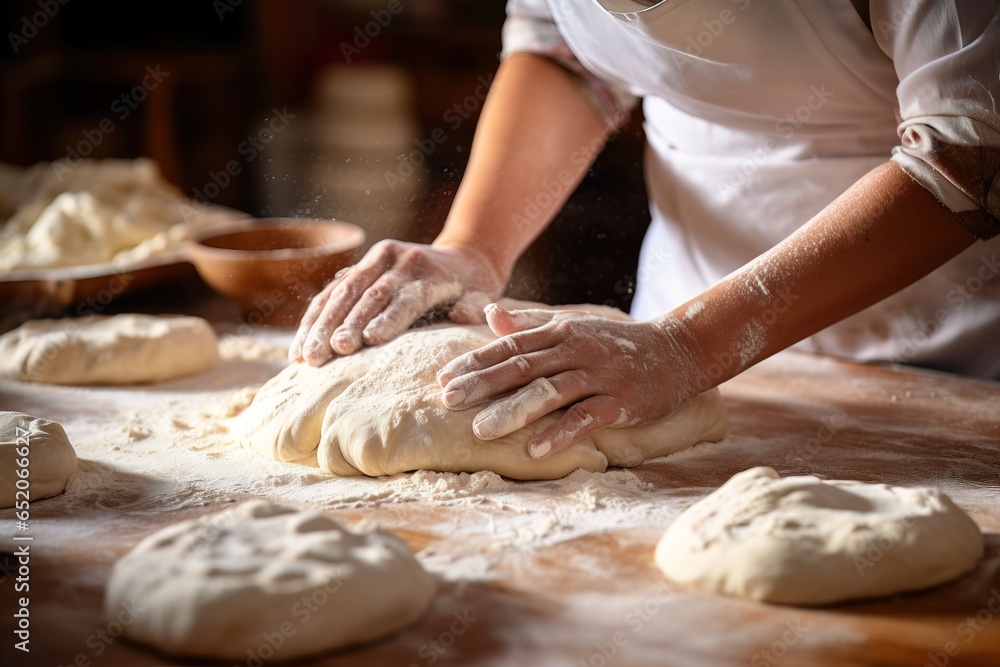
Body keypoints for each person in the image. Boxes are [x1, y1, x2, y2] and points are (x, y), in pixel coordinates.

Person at [290, 0, 1000, 461]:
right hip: (665, 339)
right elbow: (563, 50)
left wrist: (691, 345)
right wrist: (474, 243)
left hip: (942, 358)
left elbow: (969, 152)